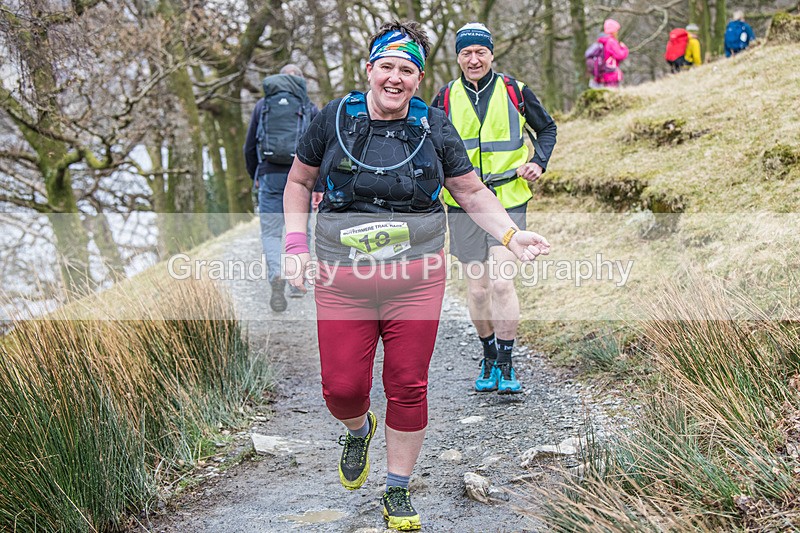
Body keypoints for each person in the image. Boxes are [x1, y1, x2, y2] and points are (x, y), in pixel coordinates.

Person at [282, 20, 550, 531]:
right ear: (369, 69)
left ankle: (397, 488)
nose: (395, 78)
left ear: (419, 78)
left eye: (407, 70)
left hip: (416, 277)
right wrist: (295, 246)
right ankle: (358, 429)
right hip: (342, 278)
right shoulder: (334, 118)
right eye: (387, 66)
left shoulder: (434, 126)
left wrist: (511, 235)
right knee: (341, 389)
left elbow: (470, 192)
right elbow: (298, 181)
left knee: (407, 384)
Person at [431, 22, 557, 395]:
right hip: (462, 204)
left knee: (502, 283)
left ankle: (506, 362)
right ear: (458, 57)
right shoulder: (444, 98)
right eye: (466, 53)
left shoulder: (515, 91)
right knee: (478, 290)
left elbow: (547, 129)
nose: (474, 59)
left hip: (508, 199)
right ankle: (488, 355)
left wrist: (539, 162)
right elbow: (429, 145)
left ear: (491, 54)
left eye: (480, 52)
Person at [244, 64, 320, 313]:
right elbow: (320, 149)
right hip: (301, 177)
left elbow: (249, 147)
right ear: (301, 82)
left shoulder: (263, 105)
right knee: (299, 230)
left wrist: (256, 175)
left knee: (271, 233)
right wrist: (317, 184)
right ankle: (297, 282)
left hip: (270, 175)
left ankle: (277, 274)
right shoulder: (308, 107)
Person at [591, 18, 628, 88]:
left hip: (604, 73)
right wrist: (624, 48)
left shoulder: (602, 41)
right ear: (613, 31)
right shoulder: (611, 41)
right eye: (617, 30)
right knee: (612, 93)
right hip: (611, 74)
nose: (617, 32)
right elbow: (620, 55)